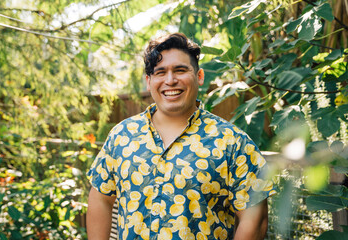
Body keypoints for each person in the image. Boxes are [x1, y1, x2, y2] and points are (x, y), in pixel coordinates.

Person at [86, 33, 276, 240]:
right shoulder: (122, 135)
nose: (170, 80)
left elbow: (254, 220)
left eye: (180, 70)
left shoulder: (234, 143)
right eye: (160, 72)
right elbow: (100, 200)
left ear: (199, 76)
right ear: (149, 81)